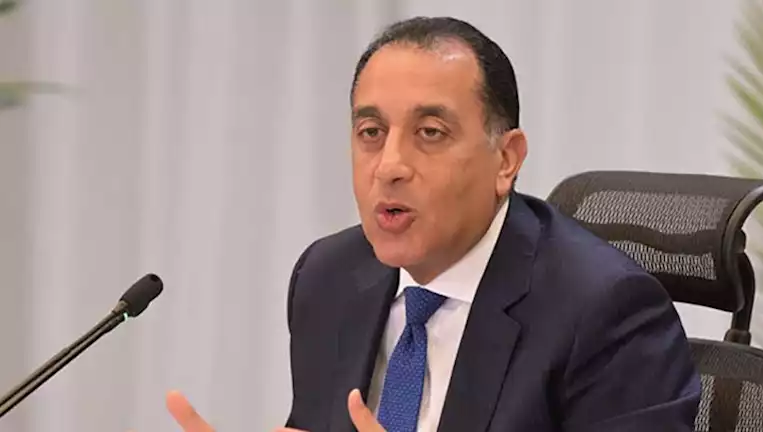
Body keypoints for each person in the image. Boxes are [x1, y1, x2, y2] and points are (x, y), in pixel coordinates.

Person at [163, 16, 702, 432]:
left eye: (430, 133)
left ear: (506, 160)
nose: (389, 166)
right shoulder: (327, 278)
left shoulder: (604, 311)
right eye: (371, 132)